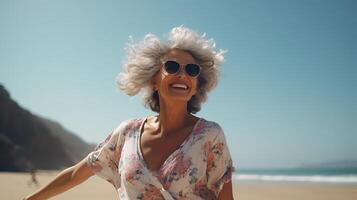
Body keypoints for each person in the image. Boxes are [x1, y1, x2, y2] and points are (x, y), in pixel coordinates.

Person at [24, 26, 235, 200]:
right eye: (172, 66)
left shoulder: (210, 136)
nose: (182, 75)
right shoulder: (128, 132)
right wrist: (30, 199)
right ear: (153, 79)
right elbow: (76, 173)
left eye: (191, 70)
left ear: (197, 85)